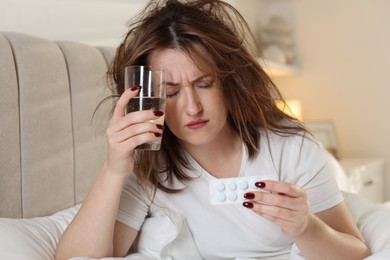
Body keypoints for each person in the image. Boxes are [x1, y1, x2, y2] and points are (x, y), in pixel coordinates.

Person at [55, 0, 370, 259]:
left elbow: (356, 251)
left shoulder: (291, 146)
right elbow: (78, 258)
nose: (192, 108)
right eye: (172, 92)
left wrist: (306, 228)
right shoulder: (151, 163)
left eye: (204, 84)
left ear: (229, 81)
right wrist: (113, 169)